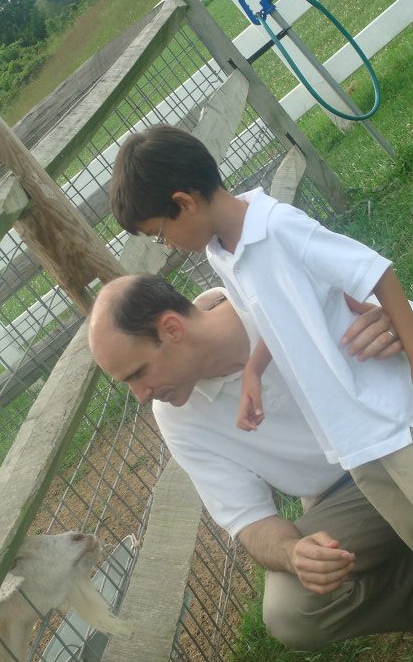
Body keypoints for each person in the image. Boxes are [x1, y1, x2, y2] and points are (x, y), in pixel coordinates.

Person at [108, 124, 413, 548]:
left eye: (160, 233)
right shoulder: (222, 253)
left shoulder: (277, 227)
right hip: (348, 435)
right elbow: (267, 318)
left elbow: (374, 270)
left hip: (388, 416)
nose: (168, 245)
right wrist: (254, 371)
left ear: (183, 203)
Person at [88, 274, 413, 650]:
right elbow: (249, 521)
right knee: (290, 609)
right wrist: (294, 554)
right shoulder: (175, 416)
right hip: (344, 496)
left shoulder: (274, 289)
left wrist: (398, 327)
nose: (140, 397)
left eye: (138, 373)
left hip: (399, 439)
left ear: (172, 329)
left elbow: (394, 312)